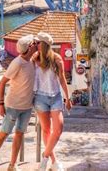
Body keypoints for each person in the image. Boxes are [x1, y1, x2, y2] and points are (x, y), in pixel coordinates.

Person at [0, 35, 38, 171]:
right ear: (29, 48)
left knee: (19, 134)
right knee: (4, 132)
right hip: (12, 106)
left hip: (27, 107)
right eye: (33, 43)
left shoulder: (32, 61)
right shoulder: (17, 63)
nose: (35, 44)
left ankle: (12, 165)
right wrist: (0, 104)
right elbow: (2, 82)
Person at [33, 32, 72, 171]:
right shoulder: (34, 59)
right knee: (46, 130)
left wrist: (67, 98)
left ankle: (44, 157)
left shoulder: (57, 59)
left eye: (37, 43)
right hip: (40, 98)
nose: (35, 45)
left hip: (55, 97)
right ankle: (53, 162)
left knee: (58, 129)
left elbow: (62, 79)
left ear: (43, 44)